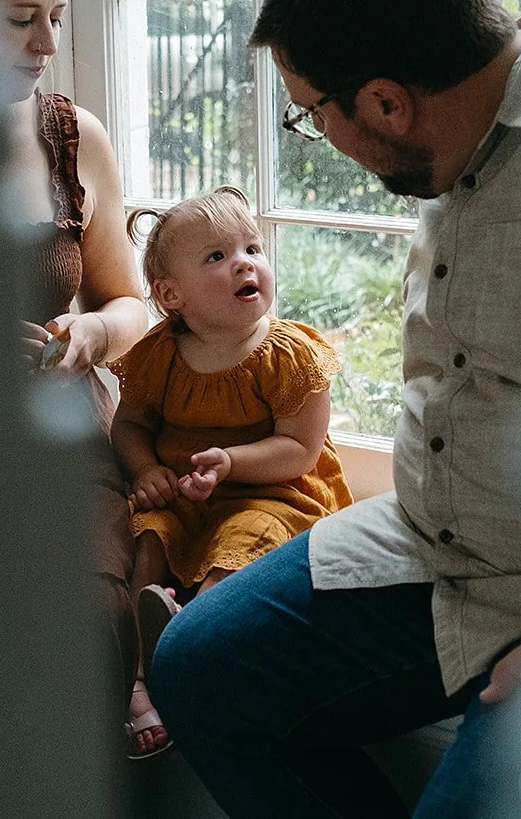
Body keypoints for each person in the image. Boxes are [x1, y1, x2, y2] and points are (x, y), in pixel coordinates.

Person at [148, 0, 521, 817]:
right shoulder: (454, 148)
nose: (318, 135)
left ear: (388, 104)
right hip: (428, 543)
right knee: (197, 668)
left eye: (313, 113)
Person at [0, 0, 152, 754]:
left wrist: (88, 339)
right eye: (21, 18)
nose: (49, 44)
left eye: (56, 15)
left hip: (64, 443)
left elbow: (129, 302)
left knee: (85, 625)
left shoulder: (69, 137)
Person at [107, 185, 354, 760]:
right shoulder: (158, 354)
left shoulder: (287, 353)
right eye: (217, 257)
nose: (245, 262)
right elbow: (130, 425)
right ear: (172, 295)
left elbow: (300, 448)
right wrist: (145, 470)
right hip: (186, 496)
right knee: (150, 533)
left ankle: (196, 633)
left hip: (274, 492)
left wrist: (232, 462)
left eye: (252, 248)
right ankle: (142, 669)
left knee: (250, 537)